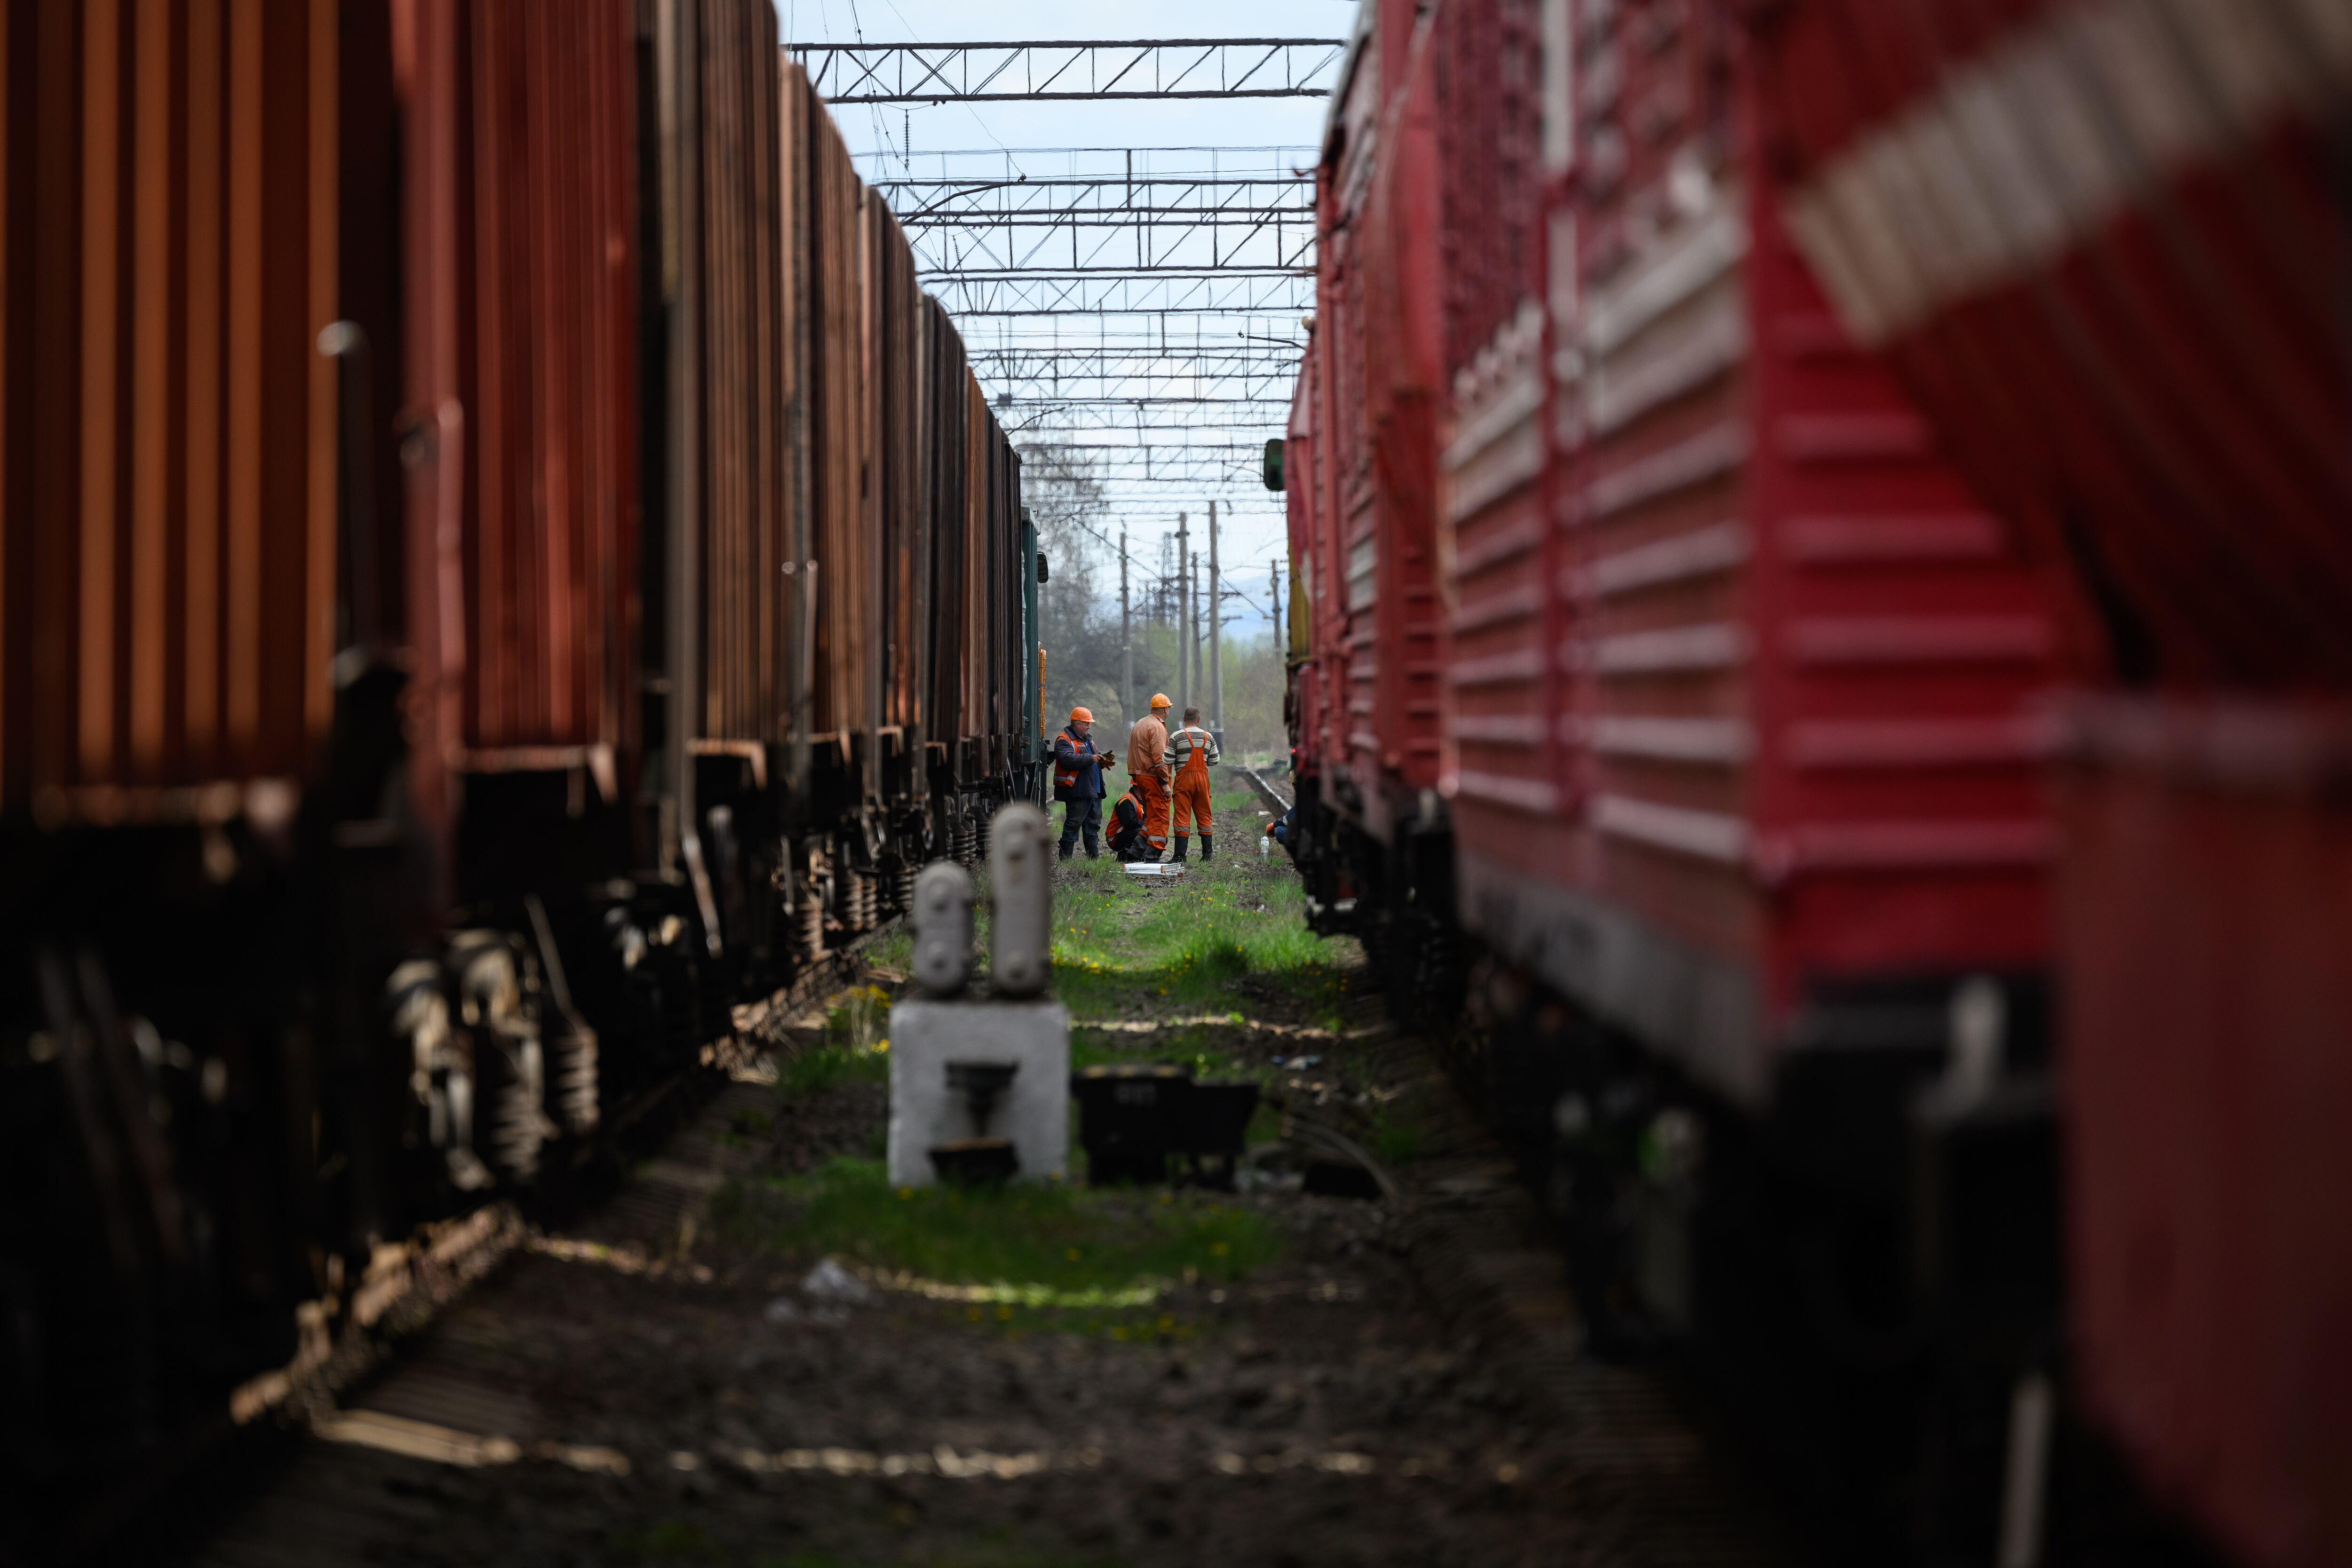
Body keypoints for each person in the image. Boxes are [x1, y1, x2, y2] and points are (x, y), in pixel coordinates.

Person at [1049, 706, 1115, 861]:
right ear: (1077, 724)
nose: (1089, 726)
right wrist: (1091, 759)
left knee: (1093, 826)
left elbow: (1091, 758)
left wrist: (1102, 761)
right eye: (1086, 724)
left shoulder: (1089, 740)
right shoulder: (1064, 740)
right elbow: (1067, 759)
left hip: (1094, 791)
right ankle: (1065, 860)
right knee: (1073, 824)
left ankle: (1094, 859)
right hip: (1078, 791)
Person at [1167, 705, 1221, 862]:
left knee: (1182, 817)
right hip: (1202, 781)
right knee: (1205, 815)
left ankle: (1180, 856)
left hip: (1184, 781)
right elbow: (1215, 760)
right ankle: (1207, 855)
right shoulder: (1208, 737)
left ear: (1184, 720)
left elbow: (1168, 760)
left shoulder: (1176, 737)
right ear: (1199, 720)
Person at [1125, 694, 1174, 862]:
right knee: (1160, 815)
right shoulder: (1158, 728)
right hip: (1154, 778)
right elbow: (1160, 758)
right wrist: (1165, 782)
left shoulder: (1140, 724)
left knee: (1151, 817)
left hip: (1141, 777)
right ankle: (1153, 855)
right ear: (1166, 709)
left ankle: (1137, 850)